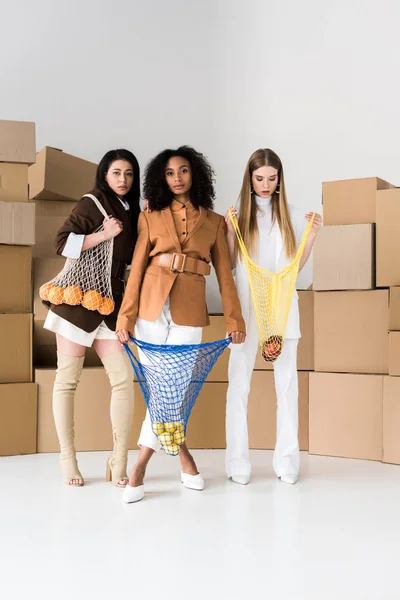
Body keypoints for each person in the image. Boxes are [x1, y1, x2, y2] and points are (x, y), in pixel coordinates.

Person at [116, 145, 246, 503]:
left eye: (184, 171)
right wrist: (124, 318)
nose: (177, 178)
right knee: (163, 389)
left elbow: (225, 275)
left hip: (190, 310)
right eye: (170, 173)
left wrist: (235, 319)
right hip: (149, 309)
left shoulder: (215, 221)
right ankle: (183, 458)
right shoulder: (150, 216)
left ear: (196, 175)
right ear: (162, 177)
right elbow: (138, 269)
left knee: (172, 388)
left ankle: (141, 463)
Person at [43, 149, 140, 487]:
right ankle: (67, 458)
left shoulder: (134, 211)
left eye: (128, 174)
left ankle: (119, 458)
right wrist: (102, 234)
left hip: (109, 307)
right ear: (105, 175)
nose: (123, 180)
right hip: (77, 303)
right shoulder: (92, 203)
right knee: (67, 381)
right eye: (116, 173)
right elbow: (60, 243)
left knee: (123, 380)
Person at [225, 148, 322, 486]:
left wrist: (311, 235)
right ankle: (237, 462)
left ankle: (287, 461)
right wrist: (228, 229)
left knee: (287, 386)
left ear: (280, 179)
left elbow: (296, 267)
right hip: (247, 308)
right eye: (259, 178)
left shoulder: (294, 215)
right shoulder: (238, 215)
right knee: (239, 385)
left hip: (282, 308)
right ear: (249, 179)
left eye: (271, 178)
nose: (265, 185)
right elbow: (232, 262)